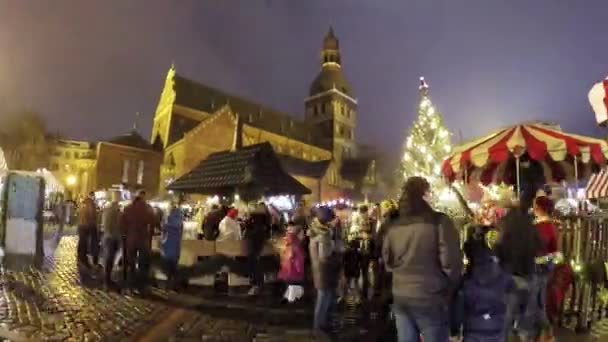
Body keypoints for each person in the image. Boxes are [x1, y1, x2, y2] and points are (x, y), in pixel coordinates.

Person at [382, 176, 463, 342]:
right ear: (424, 194)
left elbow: (387, 261)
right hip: (431, 297)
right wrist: (449, 287)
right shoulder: (439, 221)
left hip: (401, 296)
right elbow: (451, 262)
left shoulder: (394, 225)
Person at [494, 190, 543, 341]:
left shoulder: (503, 223)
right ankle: (524, 337)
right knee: (527, 315)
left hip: (511, 273)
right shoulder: (530, 223)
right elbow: (539, 245)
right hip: (530, 272)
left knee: (507, 315)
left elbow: (498, 247)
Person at [451, 224, 514, 342]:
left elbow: (458, 309)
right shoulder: (504, 277)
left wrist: (454, 330)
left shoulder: (466, 282)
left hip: (472, 331)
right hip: (497, 328)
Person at [309, 206, 340, 338]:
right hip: (325, 271)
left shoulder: (315, 231)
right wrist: (336, 257)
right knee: (324, 299)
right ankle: (319, 327)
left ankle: (321, 325)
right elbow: (325, 256)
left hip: (318, 270)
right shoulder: (325, 235)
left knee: (324, 298)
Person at [532, 195, 559, 338]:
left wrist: (540, 259)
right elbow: (556, 253)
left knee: (538, 302)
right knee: (541, 300)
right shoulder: (552, 226)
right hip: (547, 267)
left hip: (539, 268)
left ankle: (546, 332)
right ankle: (546, 333)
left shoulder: (540, 227)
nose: (533, 209)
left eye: (535, 206)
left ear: (540, 208)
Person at [121, 190, 156, 293]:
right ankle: (141, 287)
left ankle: (130, 286)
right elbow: (153, 223)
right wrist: (150, 235)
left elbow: (122, 224)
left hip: (131, 239)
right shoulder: (148, 208)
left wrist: (125, 235)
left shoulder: (127, 208)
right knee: (142, 264)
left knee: (131, 264)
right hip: (143, 240)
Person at [244, 204, 270, 296]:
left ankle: (256, 285)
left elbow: (251, 232)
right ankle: (257, 284)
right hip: (257, 243)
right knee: (255, 262)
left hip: (255, 243)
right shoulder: (264, 221)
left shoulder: (257, 223)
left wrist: (248, 227)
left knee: (254, 263)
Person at [278, 222, 306, 303]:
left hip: (287, 272)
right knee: (294, 288)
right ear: (297, 234)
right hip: (294, 272)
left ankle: (287, 299)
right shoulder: (297, 246)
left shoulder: (289, 243)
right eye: (302, 234)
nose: (304, 236)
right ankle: (290, 301)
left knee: (292, 287)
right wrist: (300, 271)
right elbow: (299, 261)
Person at [161, 202, 184, 290]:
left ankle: (168, 284)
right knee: (175, 265)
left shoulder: (167, 219)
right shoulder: (180, 220)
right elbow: (181, 233)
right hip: (176, 244)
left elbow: (163, 230)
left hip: (167, 244)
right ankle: (174, 285)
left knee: (168, 266)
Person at [102, 191, 122, 290]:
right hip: (112, 238)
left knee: (109, 258)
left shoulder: (108, 210)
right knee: (109, 259)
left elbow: (105, 224)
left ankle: (107, 279)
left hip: (108, 237)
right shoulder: (115, 211)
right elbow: (116, 225)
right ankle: (107, 281)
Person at [77, 192, 100, 270]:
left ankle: (81, 258)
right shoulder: (91, 203)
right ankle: (90, 261)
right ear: (92, 196)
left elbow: (80, 214)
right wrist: (94, 222)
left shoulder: (83, 203)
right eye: (94, 196)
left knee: (82, 242)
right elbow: (91, 214)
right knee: (93, 242)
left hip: (82, 225)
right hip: (89, 225)